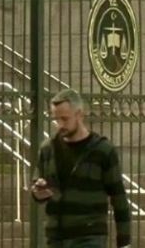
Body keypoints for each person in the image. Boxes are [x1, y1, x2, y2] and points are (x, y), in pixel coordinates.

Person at [30, 89, 132, 248]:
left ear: (79, 115)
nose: (60, 124)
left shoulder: (102, 150)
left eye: (65, 119)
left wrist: (124, 242)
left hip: (89, 236)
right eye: (56, 119)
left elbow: (119, 197)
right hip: (56, 237)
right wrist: (38, 192)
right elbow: (38, 185)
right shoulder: (48, 149)